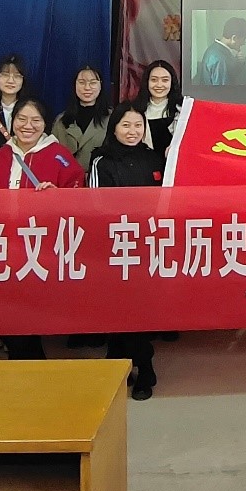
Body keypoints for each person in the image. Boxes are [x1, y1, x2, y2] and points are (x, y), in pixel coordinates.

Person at [0, 98, 84, 359]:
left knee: (27, 312)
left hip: (40, 247)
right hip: (5, 246)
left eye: (36, 120)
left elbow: (78, 193)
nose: (28, 126)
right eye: (21, 119)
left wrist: (58, 195)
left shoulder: (59, 155)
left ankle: (29, 362)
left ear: (45, 124)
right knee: (11, 312)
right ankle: (28, 362)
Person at [88, 103, 166, 400]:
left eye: (138, 125)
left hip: (148, 245)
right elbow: (97, 206)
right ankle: (141, 366)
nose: (133, 131)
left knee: (139, 308)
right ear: (114, 128)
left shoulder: (153, 158)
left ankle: (132, 364)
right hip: (113, 246)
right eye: (126, 125)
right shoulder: (101, 160)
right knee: (118, 307)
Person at [52, 65, 111, 171]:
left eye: (93, 83)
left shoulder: (111, 118)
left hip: (99, 177)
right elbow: (53, 154)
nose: (87, 88)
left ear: (101, 85)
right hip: (67, 178)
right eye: (82, 82)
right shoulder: (61, 120)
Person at [135, 60, 181, 157]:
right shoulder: (135, 110)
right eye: (154, 80)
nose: (159, 85)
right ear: (147, 82)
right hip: (144, 162)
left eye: (165, 80)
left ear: (172, 82)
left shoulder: (182, 110)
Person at [197, 17, 246, 86]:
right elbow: (223, 90)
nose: (244, 43)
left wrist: (238, 64)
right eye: (243, 39)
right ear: (234, 38)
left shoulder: (215, 49)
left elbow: (229, 75)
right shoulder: (220, 59)